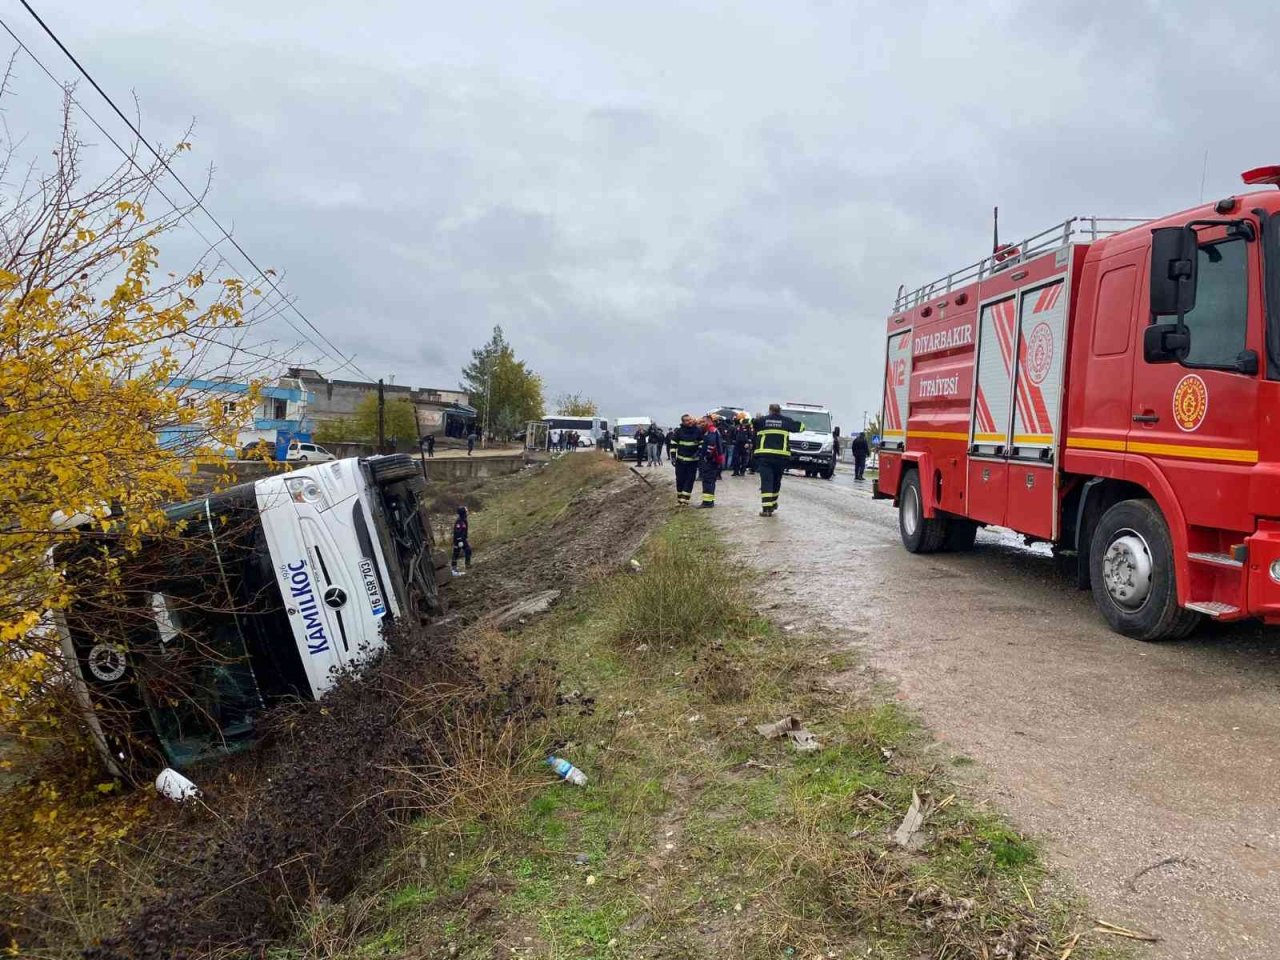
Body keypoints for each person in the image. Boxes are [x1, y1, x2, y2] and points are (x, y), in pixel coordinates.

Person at [753, 403, 802, 517]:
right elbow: (801, 427)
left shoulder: (762, 421)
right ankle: (773, 503)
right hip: (781, 457)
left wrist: (757, 418)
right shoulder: (786, 421)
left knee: (766, 482)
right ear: (780, 411)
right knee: (776, 481)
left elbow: (749, 422)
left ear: (770, 410)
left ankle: (766, 509)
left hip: (765, 456)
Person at [671, 414, 702, 506]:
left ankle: (685, 501)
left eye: (690, 420)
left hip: (693, 461)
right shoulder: (679, 431)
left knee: (690, 480)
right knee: (680, 480)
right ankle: (680, 500)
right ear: (683, 422)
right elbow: (673, 444)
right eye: (687, 420)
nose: (690, 422)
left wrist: (698, 452)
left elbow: (702, 442)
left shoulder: (697, 431)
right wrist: (673, 457)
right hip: (680, 461)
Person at [698, 416, 724, 508]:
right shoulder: (711, 431)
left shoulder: (711, 431)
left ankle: (707, 502)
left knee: (708, 481)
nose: (701, 424)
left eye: (703, 422)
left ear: (709, 422)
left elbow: (711, 445)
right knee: (710, 481)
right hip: (713, 460)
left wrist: (706, 457)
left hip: (710, 461)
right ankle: (710, 501)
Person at [451, 506, 472, 576]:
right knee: (456, 553)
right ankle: (454, 569)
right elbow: (457, 532)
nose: (467, 512)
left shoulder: (464, 520)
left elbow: (464, 531)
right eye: (466, 511)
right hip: (458, 540)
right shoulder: (459, 521)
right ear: (463, 512)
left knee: (468, 550)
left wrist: (465, 538)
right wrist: (459, 540)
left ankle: (467, 565)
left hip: (463, 539)